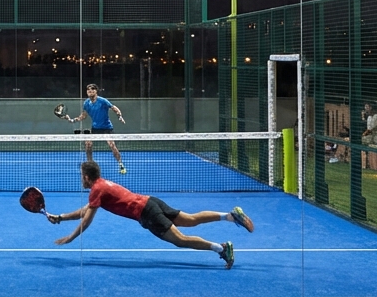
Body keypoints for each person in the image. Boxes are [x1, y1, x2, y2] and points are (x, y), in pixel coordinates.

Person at [46, 160, 254, 268]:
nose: (80, 179)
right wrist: (62, 217)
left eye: (81, 176)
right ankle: (229, 215)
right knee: (190, 220)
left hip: (146, 213)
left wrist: (70, 238)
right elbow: (86, 210)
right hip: (150, 201)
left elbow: (87, 219)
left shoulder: (97, 190)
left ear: (86, 177)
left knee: (180, 240)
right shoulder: (101, 185)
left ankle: (222, 248)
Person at [66, 84, 127, 174]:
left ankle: (121, 164)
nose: (90, 92)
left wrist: (119, 116)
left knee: (112, 146)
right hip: (95, 128)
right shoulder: (86, 103)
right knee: (88, 144)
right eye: (88, 90)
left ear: (96, 91)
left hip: (107, 128)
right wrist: (73, 120)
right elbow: (83, 115)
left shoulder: (102, 101)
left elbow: (114, 108)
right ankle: (90, 164)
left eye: (92, 90)